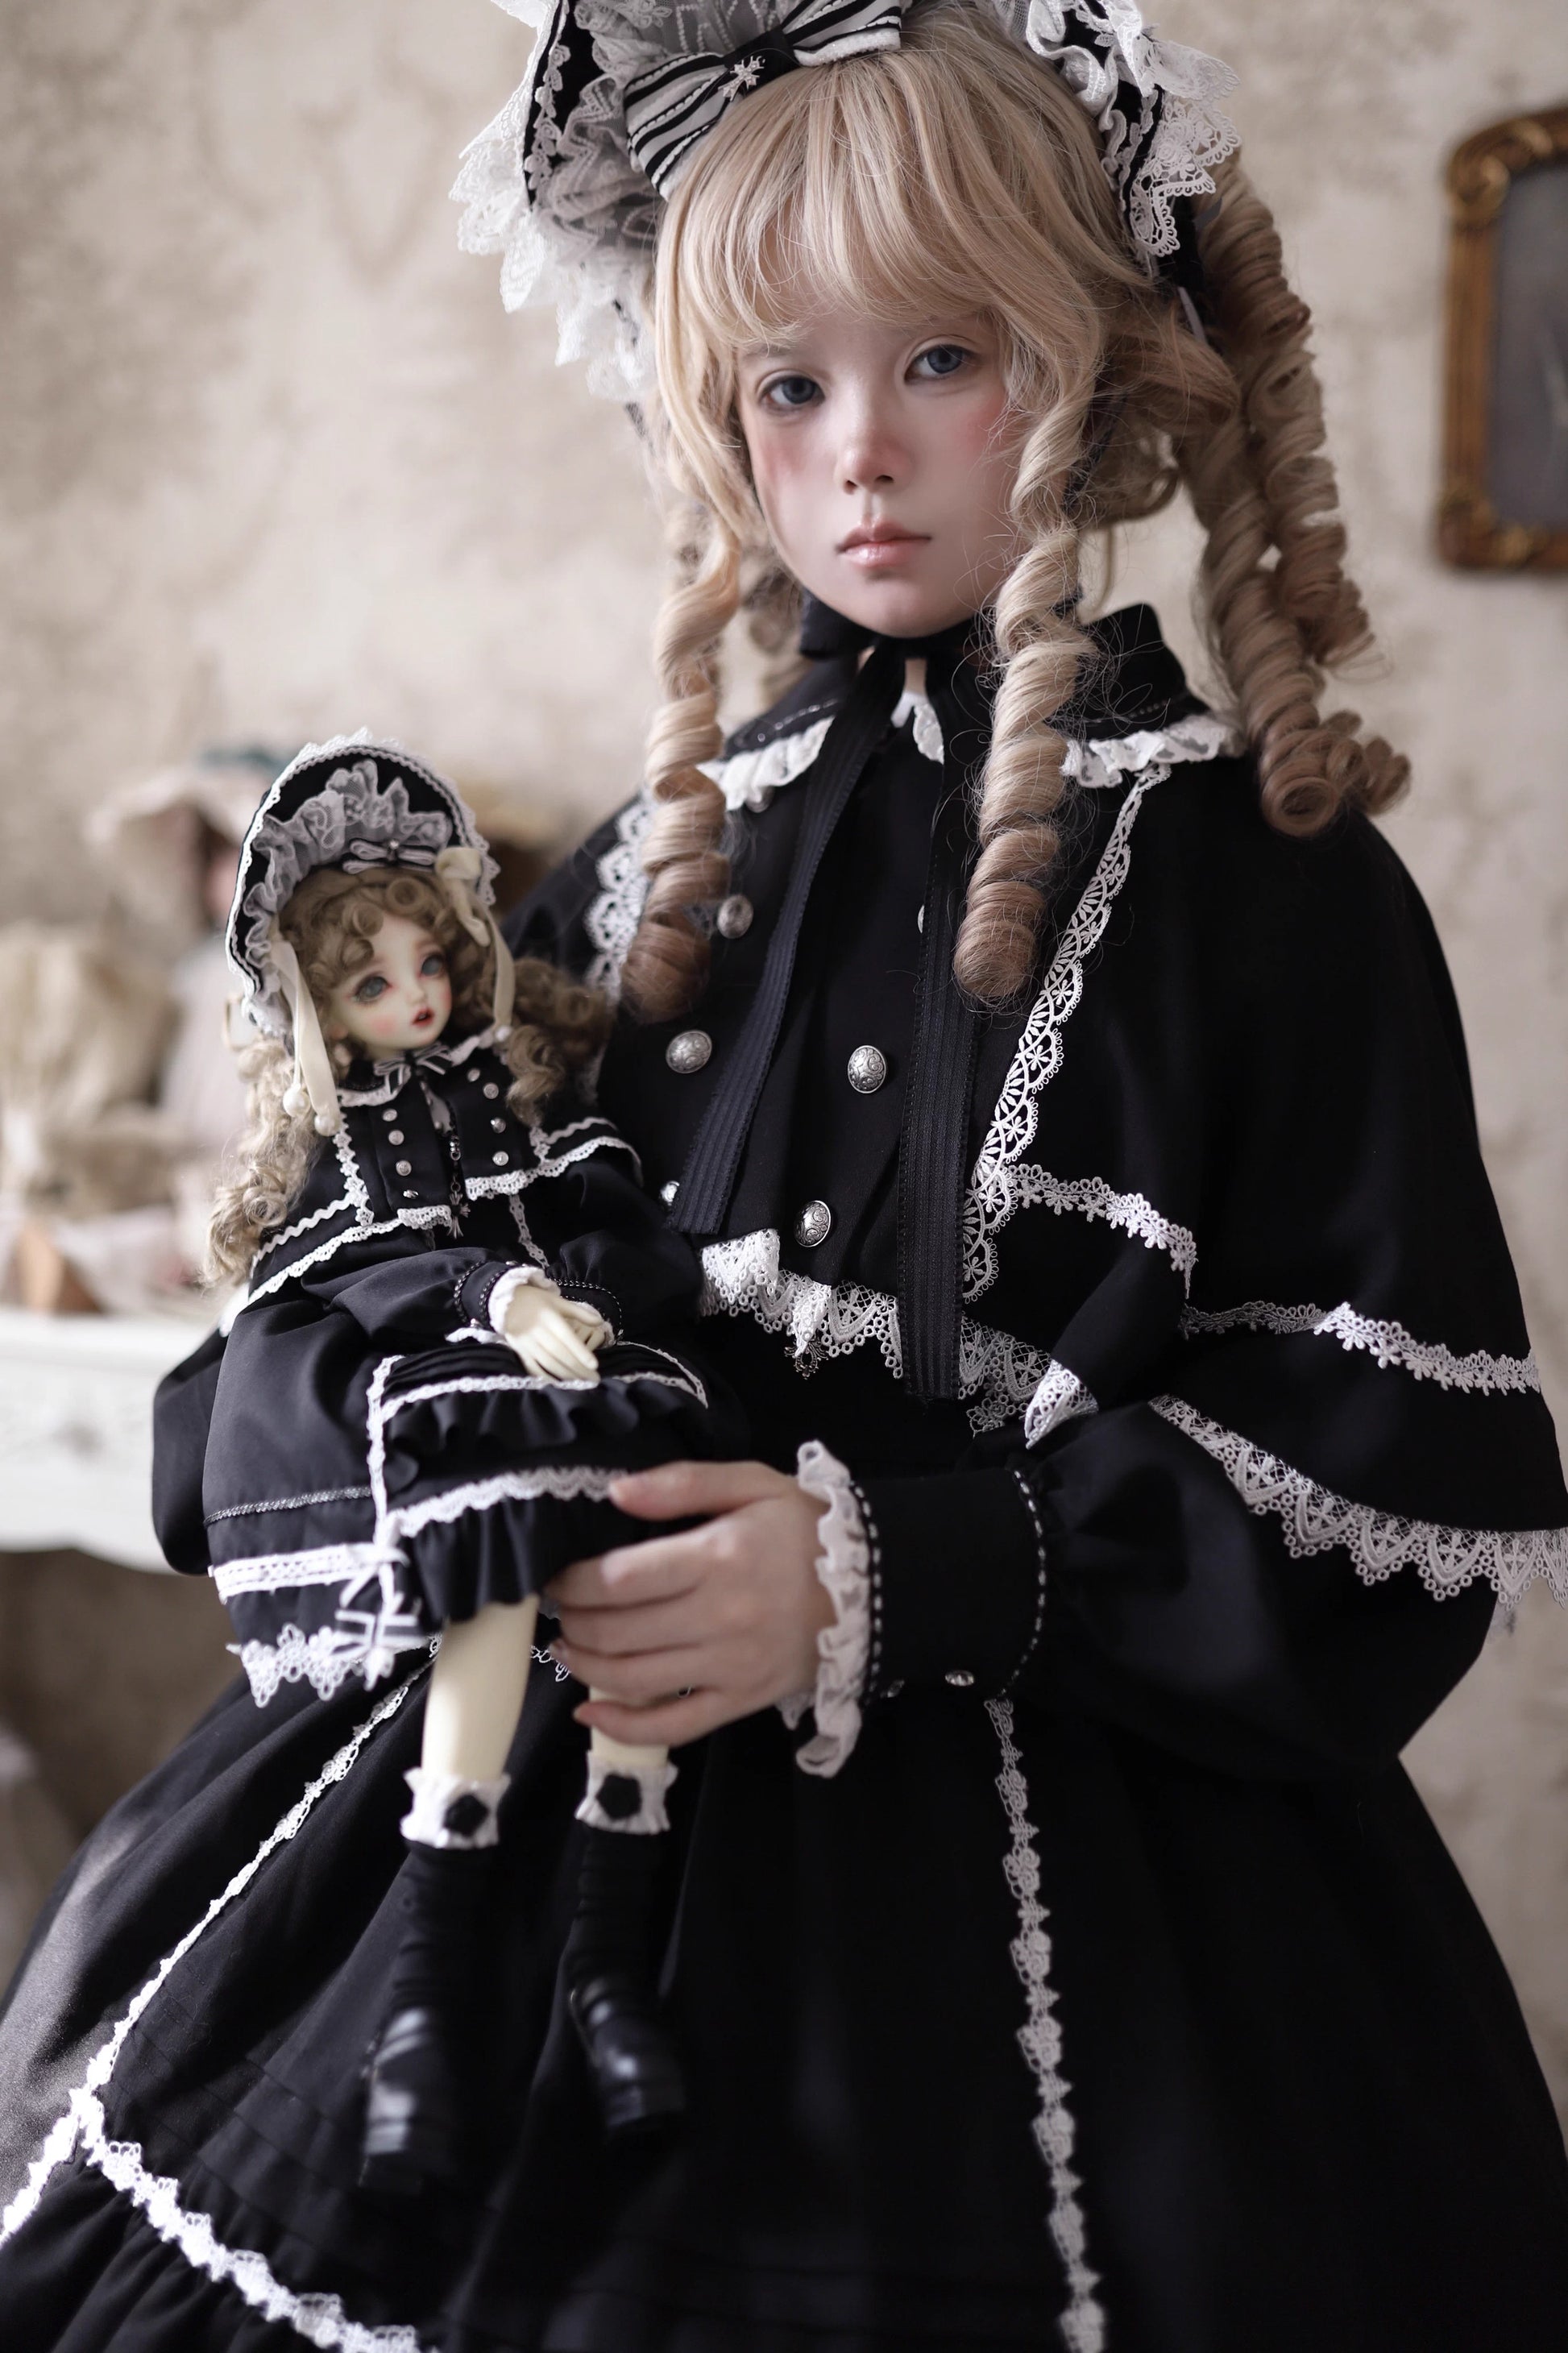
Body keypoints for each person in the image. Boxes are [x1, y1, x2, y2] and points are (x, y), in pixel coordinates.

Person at [2, 6, 1567, 2347]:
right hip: (549, 1878)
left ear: (1083, 364)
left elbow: (1381, 1492)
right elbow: (335, 1315)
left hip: (1106, 1912)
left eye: (941, 357)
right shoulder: (627, 894)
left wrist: (883, 1572)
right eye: (783, 384)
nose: (861, 457)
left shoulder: (1266, 885)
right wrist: (459, 1451)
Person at [168, 738, 752, 2173]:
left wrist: (599, 1289)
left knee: (645, 1555)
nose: (418, 998)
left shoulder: (510, 1090)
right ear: (320, 1011)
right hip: (456, 1389)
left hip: (575, 1367)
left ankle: (607, 1959)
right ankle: (431, 1981)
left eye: (427, 964)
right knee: (490, 1565)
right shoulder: (351, 1141)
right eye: (373, 986)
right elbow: (357, 1274)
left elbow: (605, 1206)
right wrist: (493, 1294)